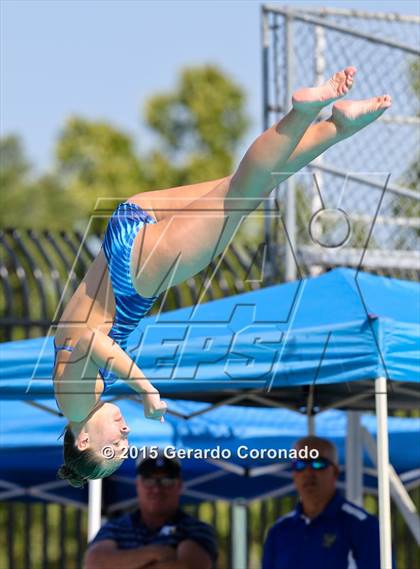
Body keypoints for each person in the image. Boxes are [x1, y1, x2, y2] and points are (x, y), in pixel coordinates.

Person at [53, 66, 392, 485]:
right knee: (248, 186)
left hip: (130, 276)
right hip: (125, 230)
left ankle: (304, 112)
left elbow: (91, 341)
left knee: (241, 194)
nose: (124, 434)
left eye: (114, 447)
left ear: (83, 441)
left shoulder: (73, 404)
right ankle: (337, 125)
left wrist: (145, 388)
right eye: (125, 446)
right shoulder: (85, 399)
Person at [262, 436, 381, 569]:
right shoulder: (279, 531)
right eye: (300, 465)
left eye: (318, 463)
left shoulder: (362, 525)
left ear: (335, 472)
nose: (308, 472)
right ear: (293, 474)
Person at [83, 455, 218, 569]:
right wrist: (159, 552)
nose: (157, 489)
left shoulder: (197, 529)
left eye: (166, 480)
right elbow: (94, 563)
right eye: (149, 480)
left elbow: (190, 566)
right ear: (137, 484)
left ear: (179, 485)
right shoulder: (114, 527)